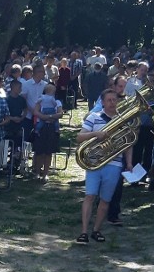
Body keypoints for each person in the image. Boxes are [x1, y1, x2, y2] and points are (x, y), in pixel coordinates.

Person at [75, 89, 132, 244]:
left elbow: (128, 143)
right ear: (103, 102)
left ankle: (96, 230)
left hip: (114, 164)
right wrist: (95, 135)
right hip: (94, 163)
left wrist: (129, 163)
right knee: (90, 196)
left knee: (105, 200)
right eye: (109, 100)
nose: (112, 103)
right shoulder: (94, 117)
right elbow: (79, 137)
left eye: (114, 100)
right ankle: (84, 232)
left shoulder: (123, 119)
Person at [31, 83, 63, 183]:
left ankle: (45, 174)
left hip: (51, 128)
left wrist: (50, 117)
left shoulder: (56, 101)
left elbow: (60, 113)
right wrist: (43, 117)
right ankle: (37, 172)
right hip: (42, 127)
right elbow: (35, 111)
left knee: (48, 151)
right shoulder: (41, 99)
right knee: (39, 151)